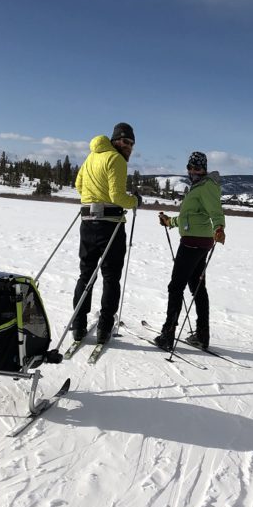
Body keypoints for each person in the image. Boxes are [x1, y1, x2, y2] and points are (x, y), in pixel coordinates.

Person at [71, 123, 140, 344]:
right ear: (115, 140)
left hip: (87, 223)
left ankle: (78, 326)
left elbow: (78, 185)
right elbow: (117, 196)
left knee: (86, 274)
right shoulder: (116, 159)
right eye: (125, 141)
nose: (128, 147)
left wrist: (93, 198)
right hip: (110, 224)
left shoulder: (91, 157)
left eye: (131, 143)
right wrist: (135, 201)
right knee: (111, 277)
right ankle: (104, 329)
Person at [154, 151, 226, 351]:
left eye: (198, 168)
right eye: (191, 167)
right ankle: (202, 335)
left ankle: (167, 334)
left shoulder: (207, 186)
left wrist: (219, 228)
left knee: (176, 287)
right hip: (198, 242)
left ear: (204, 169)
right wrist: (170, 222)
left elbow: (216, 212)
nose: (193, 171)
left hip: (193, 244)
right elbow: (190, 217)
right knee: (197, 287)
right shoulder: (197, 187)